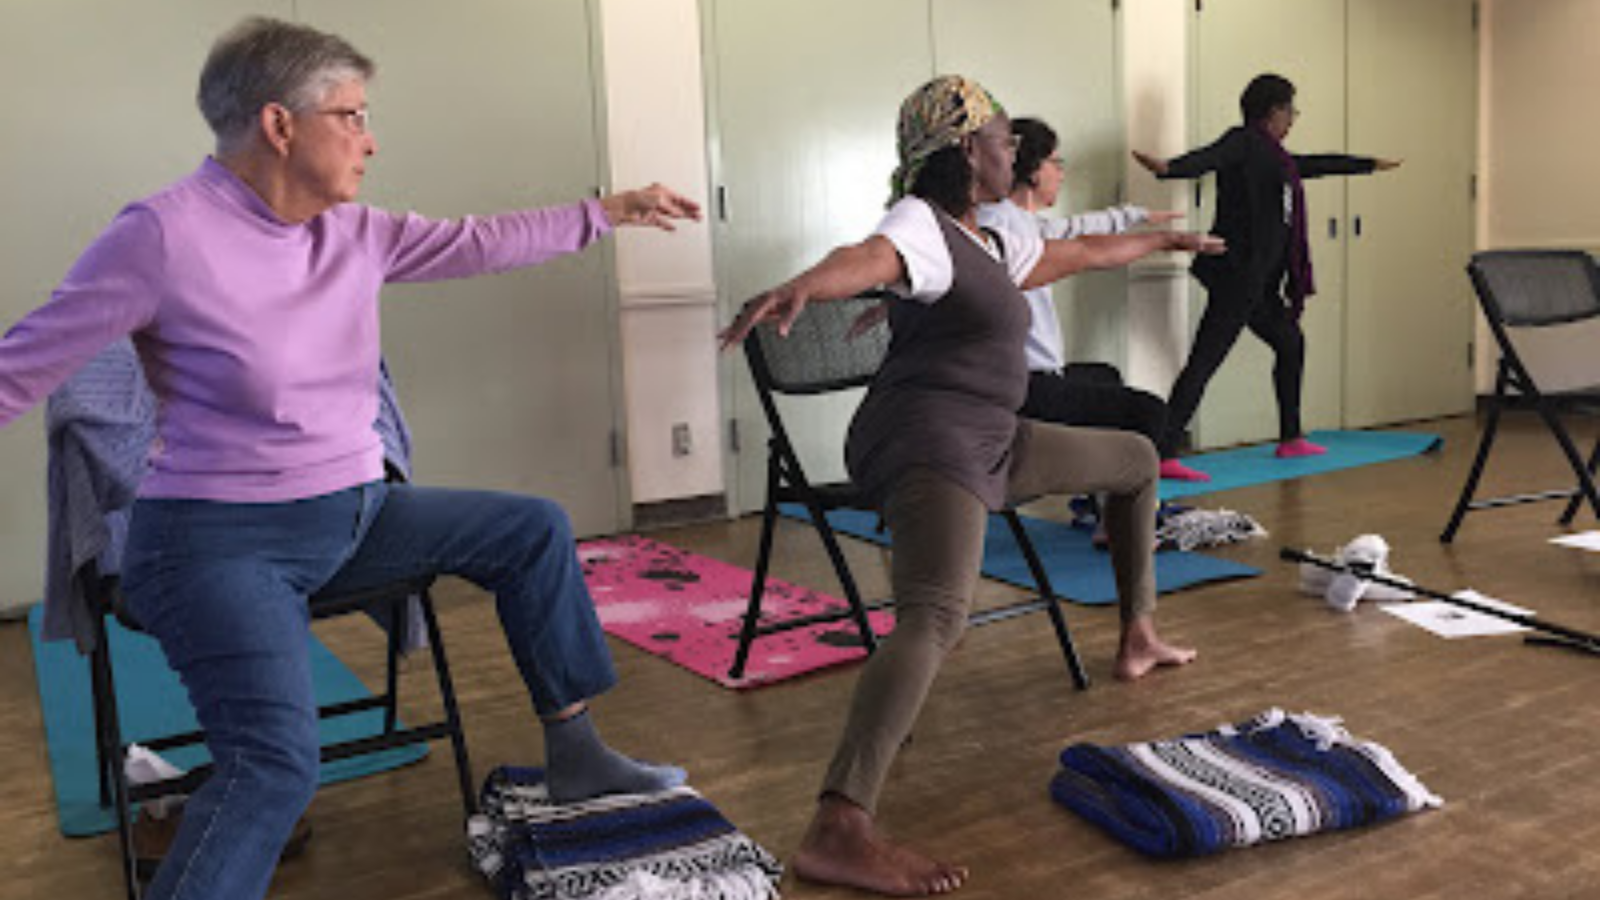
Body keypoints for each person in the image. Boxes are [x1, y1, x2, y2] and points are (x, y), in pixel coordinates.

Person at [0, 18, 699, 900]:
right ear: (279, 125)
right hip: (214, 545)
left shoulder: (355, 232)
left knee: (531, 530)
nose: (370, 138)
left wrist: (606, 212)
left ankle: (578, 753)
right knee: (274, 768)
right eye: (352, 114)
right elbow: (19, 365)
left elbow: (479, 241)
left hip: (356, 515)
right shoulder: (161, 236)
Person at [720, 75, 1215, 897]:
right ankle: (837, 826)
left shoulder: (986, 238)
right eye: (1004, 137)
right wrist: (806, 284)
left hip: (995, 434)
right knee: (938, 618)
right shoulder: (919, 226)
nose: (1014, 150)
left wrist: (1167, 245)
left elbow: (1082, 253)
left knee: (1133, 457)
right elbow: (865, 258)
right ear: (964, 150)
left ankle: (1138, 635)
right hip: (928, 439)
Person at [1132, 73, 1400, 479]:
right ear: (1274, 111)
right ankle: (1165, 451)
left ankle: (1291, 438)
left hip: (1258, 284)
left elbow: (1315, 164)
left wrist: (1364, 165)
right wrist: (1169, 168)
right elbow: (1210, 157)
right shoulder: (1243, 141)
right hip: (1237, 278)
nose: (1293, 119)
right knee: (1206, 359)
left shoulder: (1278, 159)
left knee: (1290, 343)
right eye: (1291, 110)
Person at [976, 116, 1205, 482]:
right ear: (1033, 170)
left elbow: (1077, 228)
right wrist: (1162, 238)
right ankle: (1124, 518)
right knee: (1149, 412)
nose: (1062, 172)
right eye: (1056, 162)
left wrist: (1138, 216)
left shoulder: (1012, 221)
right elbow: (1083, 245)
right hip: (1025, 387)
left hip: (1024, 380)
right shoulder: (1004, 226)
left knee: (1105, 376)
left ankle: (1097, 497)